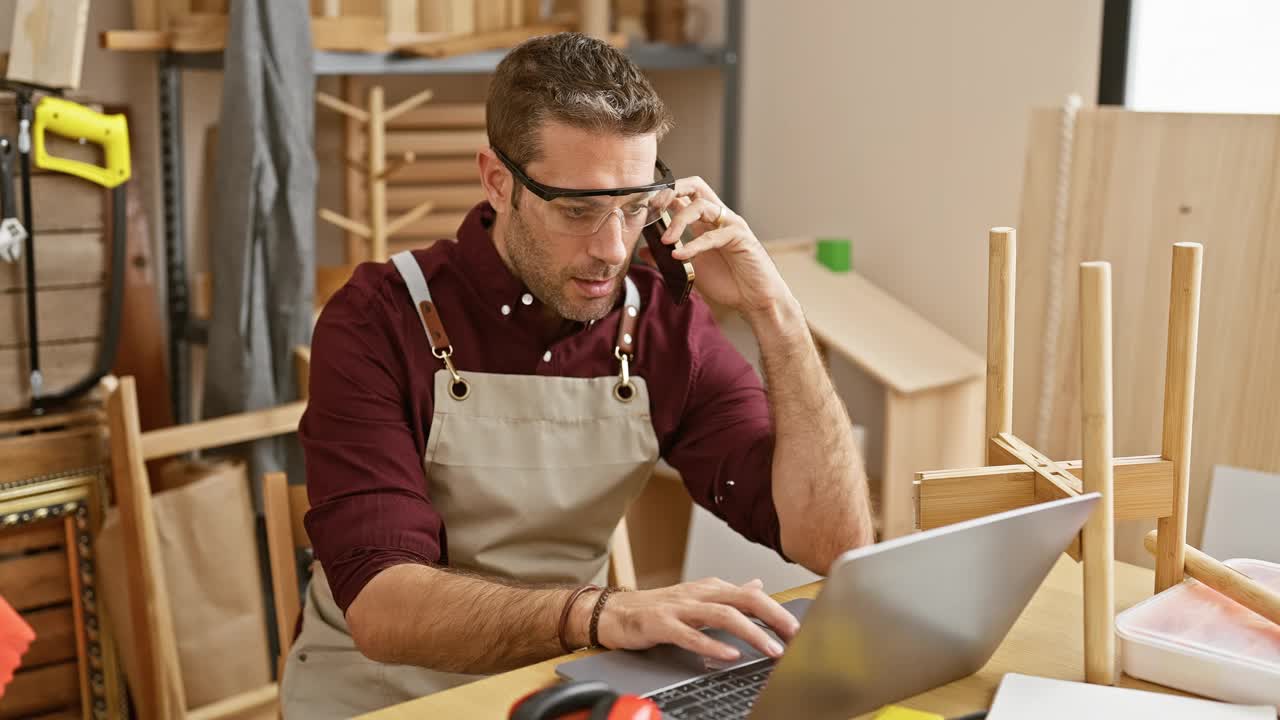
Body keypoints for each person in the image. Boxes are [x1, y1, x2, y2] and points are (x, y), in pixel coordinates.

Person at [281, 32, 874, 719]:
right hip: (382, 698)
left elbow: (833, 543)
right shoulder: (377, 318)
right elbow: (383, 611)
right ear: (498, 181)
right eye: (578, 210)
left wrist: (776, 312)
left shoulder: (660, 324)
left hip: (560, 690)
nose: (612, 249)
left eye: (634, 207)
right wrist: (603, 616)